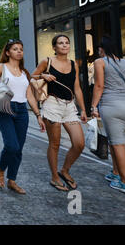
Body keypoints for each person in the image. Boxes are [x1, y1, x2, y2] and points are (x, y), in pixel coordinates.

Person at [0, 39, 46, 194]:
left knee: (19, 149)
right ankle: (1, 169)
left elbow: (29, 95)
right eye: (15, 49)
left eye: (21, 49)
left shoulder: (24, 72)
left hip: (22, 111)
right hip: (5, 109)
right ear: (8, 52)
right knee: (12, 145)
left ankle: (12, 180)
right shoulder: (1, 68)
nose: (19, 51)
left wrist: (38, 115)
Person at [32, 34, 87, 192]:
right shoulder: (47, 61)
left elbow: (76, 87)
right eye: (60, 43)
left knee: (79, 143)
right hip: (52, 104)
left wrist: (83, 109)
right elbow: (32, 76)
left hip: (69, 106)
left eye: (67, 43)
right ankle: (55, 177)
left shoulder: (73, 64)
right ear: (54, 47)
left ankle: (64, 170)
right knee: (54, 144)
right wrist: (43, 75)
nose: (64, 45)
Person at [91, 36, 125, 195]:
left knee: (118, 143)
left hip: (111, 106)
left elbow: (99, 86)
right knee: (114, 141)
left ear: (102, 49)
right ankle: (115, 173)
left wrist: (93, 106)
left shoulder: (100, 62)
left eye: (99, 50)